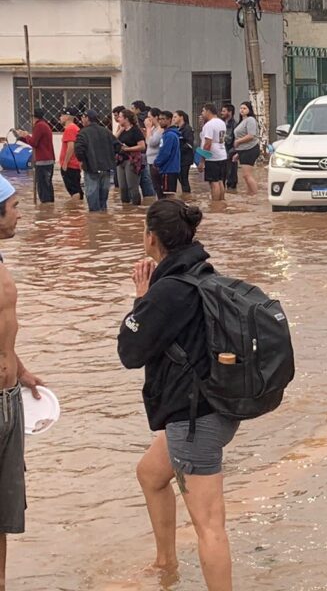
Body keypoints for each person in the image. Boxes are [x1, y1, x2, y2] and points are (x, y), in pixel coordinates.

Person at [118, 199, 237, 590]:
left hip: (194, 418)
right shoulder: (202, 271)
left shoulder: (167, 291)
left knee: (209, 525)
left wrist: (141, 298)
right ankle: (166, 564)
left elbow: (130, 352)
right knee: (151, 474)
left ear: (152, 239)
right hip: (215, 406)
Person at [0, 174, 45, 588]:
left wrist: (22, 369)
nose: (19, 214)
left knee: (4, 513)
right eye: (13, 208)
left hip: (9, 399)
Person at [74, 109, 120, 212]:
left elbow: (78, 149)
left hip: (91, 168)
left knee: (92, 199)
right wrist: (109, 157)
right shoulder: (106, 131)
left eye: (82, 117)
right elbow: (117, 146)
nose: (81, 119)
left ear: (87, 118)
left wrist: (82, 161)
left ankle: (95, 223)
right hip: (106, 169)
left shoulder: (83, 133)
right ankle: (103, 220)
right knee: (103, 201)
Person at [15, 109, 55, 203]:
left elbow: (33, 142)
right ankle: (48, 208)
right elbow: (35, 142)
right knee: (47, 185)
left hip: (43, 161)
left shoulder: (39, 126)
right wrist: (22, 137)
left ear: (34, 117)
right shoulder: (44, 125)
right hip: (47, 160)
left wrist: (26, 135)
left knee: (43, 187)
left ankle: (46, 208)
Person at [116, 109, 147, 206]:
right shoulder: (122, 130)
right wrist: (120, 130)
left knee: (132, 186)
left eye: (120, 117)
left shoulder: (135, 130)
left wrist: (128, 149)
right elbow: (113, 140)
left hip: (132, 160)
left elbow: (142, 146)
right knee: (122, 187)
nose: (118, 119)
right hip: (120, 160)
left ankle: (136, 208)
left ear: (126, 118)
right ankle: (126, 209)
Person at [198, 104, 228, 202]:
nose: (202, 114)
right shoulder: (221, 122)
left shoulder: (209, 125)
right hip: (222, 154)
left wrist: (202, 161)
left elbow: (207, 144)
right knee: (220, 181)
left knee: (214, 182)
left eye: (203, 111)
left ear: (208, 111)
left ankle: (215, 205)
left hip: (212, 157)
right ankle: (222, 202)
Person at [230, 102, 260, 197]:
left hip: (250, 149)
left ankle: (255, 195)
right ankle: (250, 195)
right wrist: (238, 154)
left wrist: (238, 142)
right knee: (246, 176)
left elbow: (251, 135)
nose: (242, 110)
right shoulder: (242, 121)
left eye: (244, 108)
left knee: (247, 175)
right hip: (243, 150)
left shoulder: (250, 120)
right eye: (241, 108)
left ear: (249, 110)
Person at [154, 110, 181, 197]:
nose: (161, 121)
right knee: (168, 194)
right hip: (170, 169)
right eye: (160, 119)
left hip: (168, 169)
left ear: (169, 120)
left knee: (169, 195)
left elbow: (165, 152)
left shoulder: (169, 135)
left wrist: (157, 162)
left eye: (163, 119)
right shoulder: (168, 134)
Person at [58, 107, 82, 200]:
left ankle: (74, 211)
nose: (60, 117)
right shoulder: (75, 128)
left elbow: (71, 147)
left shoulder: (70, 128)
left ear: (67, 117)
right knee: (76, 188)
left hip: (70, 165)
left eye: (62, 115)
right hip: (73, 164)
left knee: (74, 190)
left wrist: (65, 163)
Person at [174, 111, 194, 194]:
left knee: (184, 179)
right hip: (179, 159)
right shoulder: (177, 129)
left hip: (185, 159)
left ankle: (187, 196)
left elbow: (189, 144)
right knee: (181, 179)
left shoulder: (187, 129)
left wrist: (177, 150)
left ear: (181, 117)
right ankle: (185, 196)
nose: (173, 119)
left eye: (175, 117)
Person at [146, 108, 165, 199]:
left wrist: (148, 128)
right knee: (155, 185)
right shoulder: (154, 129)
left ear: (156, 117)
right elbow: (147, 141)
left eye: (150, 118)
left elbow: (152, 142)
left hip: (156, 160)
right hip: (150, 160)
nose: (148, 120)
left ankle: (162, 202)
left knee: (158, 185)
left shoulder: (160, 129)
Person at [220, 105, 238, 191]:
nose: (221, 113)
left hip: (230, 153)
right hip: (222, 153)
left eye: (224, 111)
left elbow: (235, 141)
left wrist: (232, 153)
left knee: (231, 178)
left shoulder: (235, 125)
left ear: (230, 112)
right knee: (221, 177)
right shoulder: (221, 123)